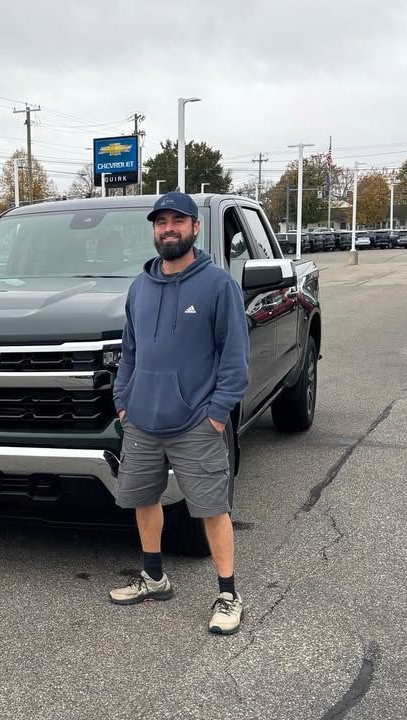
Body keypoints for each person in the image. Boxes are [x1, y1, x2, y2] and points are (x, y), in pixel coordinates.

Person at [108, 192, 250, 635]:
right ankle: (154, 577)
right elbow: (130, 352)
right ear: (154, 230)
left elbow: (235, 360)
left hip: (195, 424)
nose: (168, 229)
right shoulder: (139, 287)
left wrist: (216, 413)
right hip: (142, 422)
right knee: (143, 499)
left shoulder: (218, 285)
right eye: (161, 222)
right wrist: (123, 400)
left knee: (212, 508)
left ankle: (228, 594)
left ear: (195, 227)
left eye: (178, 221)